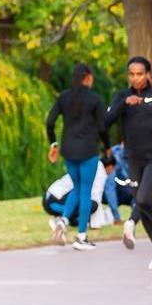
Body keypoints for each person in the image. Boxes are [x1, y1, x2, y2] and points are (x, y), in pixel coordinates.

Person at [104, 57, 152, 271]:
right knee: (141, 204)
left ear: (148, 74)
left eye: (139, 74)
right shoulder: (122, 96)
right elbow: (105, 122)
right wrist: (123, 104)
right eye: (131, 74)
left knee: (143, 197)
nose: (135, 78)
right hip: (134, 157)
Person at [46, 63, 111, 250]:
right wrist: (107, 148)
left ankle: (63, 221)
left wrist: (54, 143)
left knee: (76, 186)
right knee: (85, 191)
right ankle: (81, 237)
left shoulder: (64, 97)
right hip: (88, 151)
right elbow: (102, 128)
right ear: (88, 77)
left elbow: (50, 122)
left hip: (68, 151)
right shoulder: (95, 99)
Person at [44, 155, 115, 240]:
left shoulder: (88, 164)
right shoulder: (100, 171)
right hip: (55, 202)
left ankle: (66, 220)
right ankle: (59, 220)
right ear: (110, 166)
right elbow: (96, 197)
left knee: (80, 207)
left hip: (48, 199)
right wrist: (96, 225)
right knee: (93, 205)